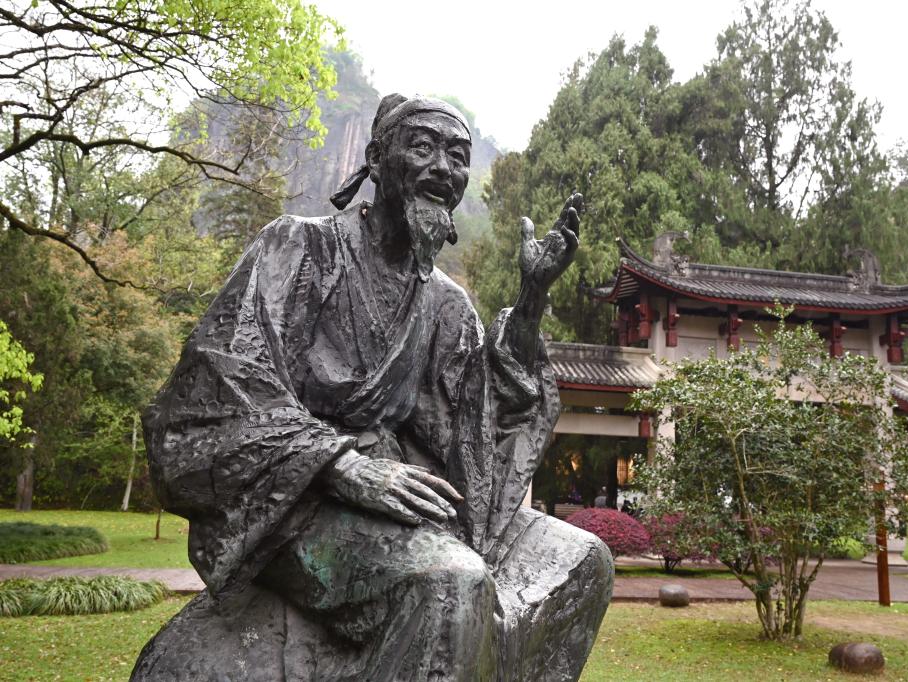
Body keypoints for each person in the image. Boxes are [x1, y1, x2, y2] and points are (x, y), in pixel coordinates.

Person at [131, 95, 613, 682]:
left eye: (458, 156)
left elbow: (478, 427)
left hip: (404, 492)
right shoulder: (300, 247)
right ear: (377, 160)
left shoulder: (446, 302)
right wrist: (343, 466)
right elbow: (224, 380)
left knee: (583, 560)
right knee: (452, 582)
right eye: (423, 147)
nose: (443, 168)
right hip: (301, 498)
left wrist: (532, 299)